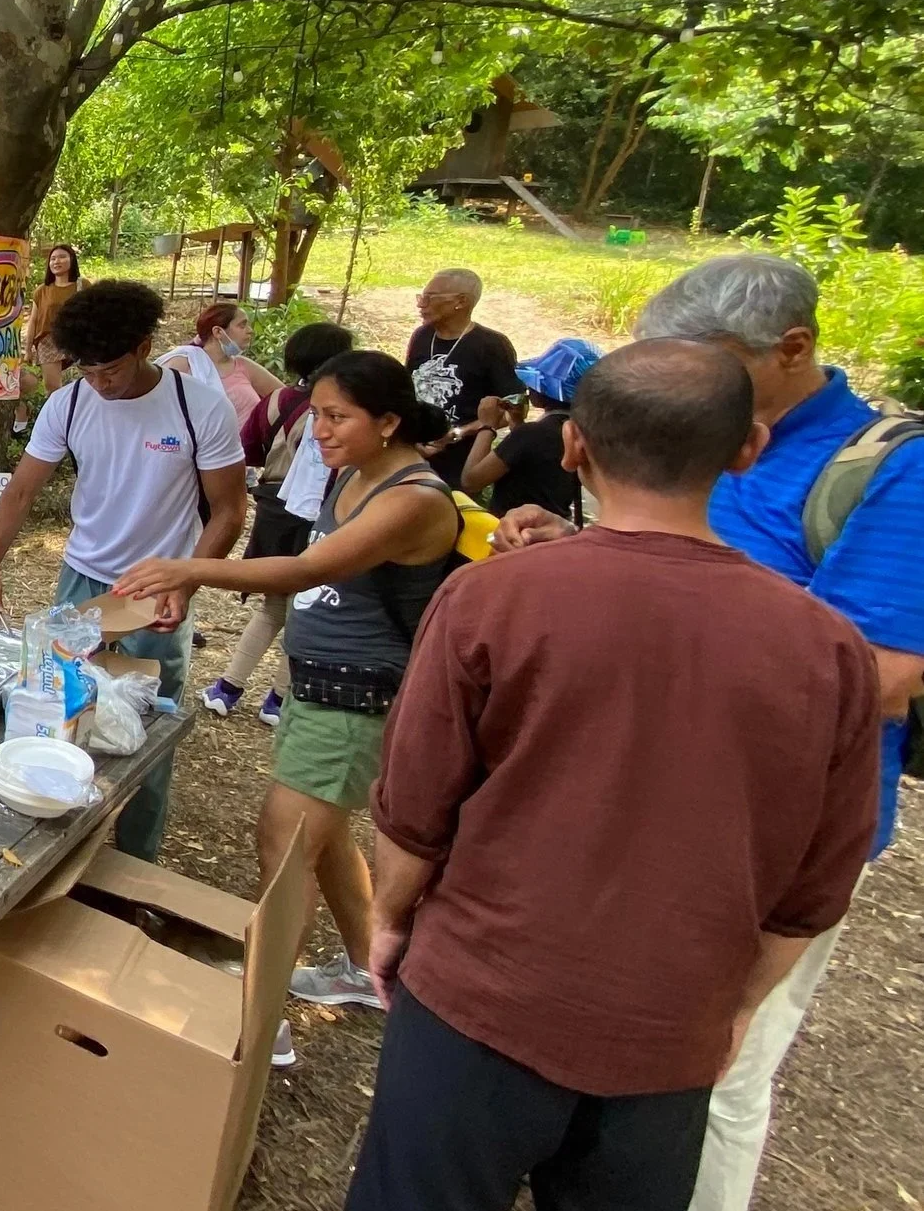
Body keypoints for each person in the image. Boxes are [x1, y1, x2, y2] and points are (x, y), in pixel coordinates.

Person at [350, 340, 880, 1211]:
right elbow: (818, 881)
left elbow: (414, 808)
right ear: (749, 447)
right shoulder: (826, 648)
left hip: (480, 996)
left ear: (572, 446)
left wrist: (389, 919)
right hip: (669, 1029)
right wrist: (736, 1005)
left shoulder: (495, 598)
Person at [495, 255, 924, 1211]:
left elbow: (884, 675)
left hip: (762, 825)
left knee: (719, 1066)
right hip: (624, 783)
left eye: (701, 358)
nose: (680, 381)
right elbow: (667, 569)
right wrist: (581, 557)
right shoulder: (713, 440)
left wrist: (685, 627)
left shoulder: (890, 470)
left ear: (793, 349)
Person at [118, 349, 458, 1063]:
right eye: (318, 414)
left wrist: (189, 567)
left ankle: (260, 1020)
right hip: (321, 684)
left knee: (284, 843)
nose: (321, 430)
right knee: (323, 838)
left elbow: (309, 568)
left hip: (358, 696)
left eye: (339, 417)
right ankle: (371, 969)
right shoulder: (356, 475)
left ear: (389, 421)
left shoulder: (414, 498)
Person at [0, 279, 247, 861]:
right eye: (88, 370)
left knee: (144, 733)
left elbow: (228, 510)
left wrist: (188, 578)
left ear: (144, 346)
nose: (99, 383)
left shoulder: (198, 407)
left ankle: (134, 863)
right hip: (81, 578)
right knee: (65, 712)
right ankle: (69, 852)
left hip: (155, 589)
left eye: (111, 370)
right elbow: (20, 493)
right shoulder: (69, 404)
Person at [201, 320, 359, 723]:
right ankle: (278, 698)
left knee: (273, 605)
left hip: (274, 509)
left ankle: (228, 687)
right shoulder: (345, 413)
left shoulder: (278, 400)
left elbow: (248, 448)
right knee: (303, 606)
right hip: (322, 511)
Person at [461, 337, 599, 523]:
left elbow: (471, 481)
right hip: (552, 527)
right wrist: (517, 423)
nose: (528, 387)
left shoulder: (531, 435)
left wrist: (488, 426)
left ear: (545, 390)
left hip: (514, 531)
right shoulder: (581, 432)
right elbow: (533, 463)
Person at [405, 269, 519, 487]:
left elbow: (512, 408)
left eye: (430, 298)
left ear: (461, 301)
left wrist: (457, 433)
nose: (421, 304)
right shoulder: (421, 336)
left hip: (459, 466)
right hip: (413, 456)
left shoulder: (491, 345)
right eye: (421, 297)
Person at [161, 302, 282, 425]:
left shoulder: (243, 365)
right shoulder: (185, 363)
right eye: (242, 325)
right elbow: (159, 405)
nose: (250, 331)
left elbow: (286, 398)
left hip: (249, 443)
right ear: (218, 332)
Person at [17, 242, 83, 433]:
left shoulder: (82, 285)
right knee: (52, 386)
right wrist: (28, 348)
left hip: (76, 338)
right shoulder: (42, 290)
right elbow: (34, 320)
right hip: (48, 341)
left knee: (87, 379)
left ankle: (80, 418)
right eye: (53, 258)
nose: (57, 261)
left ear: (72, 260)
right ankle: (56, 426)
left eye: (62, 257)